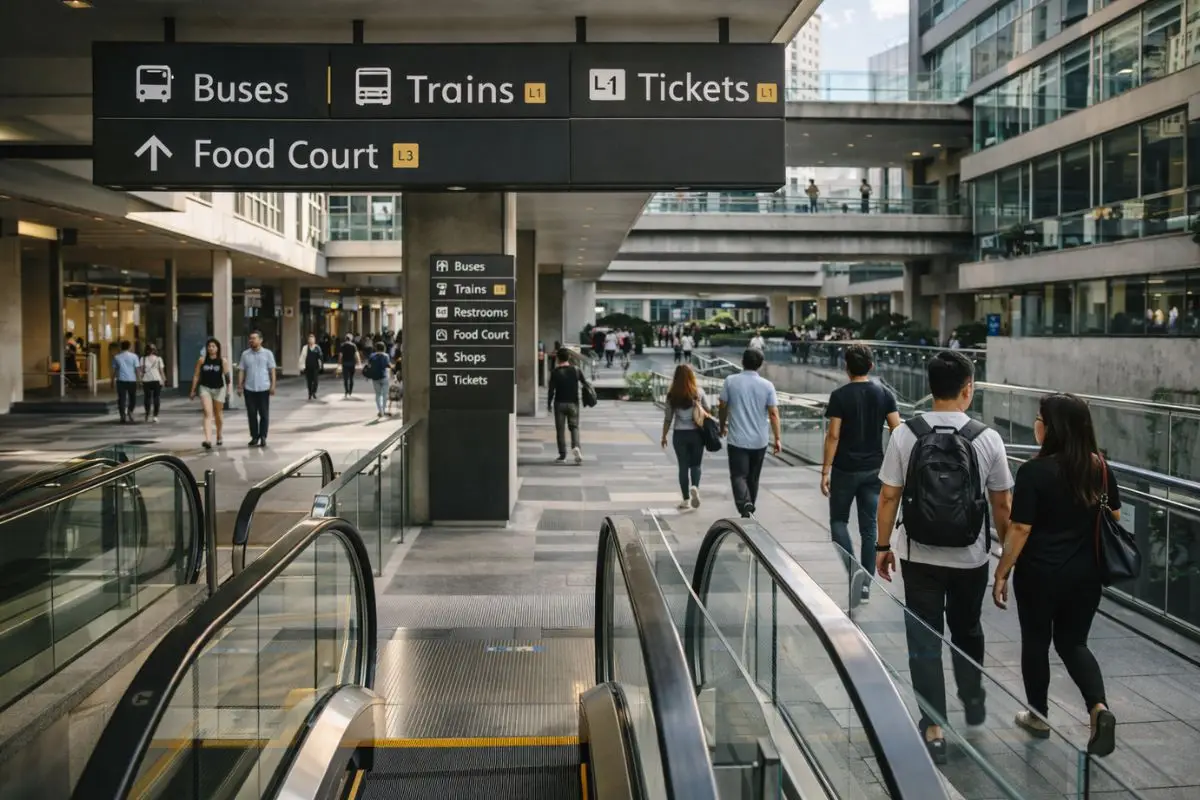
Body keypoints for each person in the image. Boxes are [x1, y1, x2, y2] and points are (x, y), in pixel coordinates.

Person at [874, 350, 1013, 764]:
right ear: (967, 389)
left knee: (924, 639)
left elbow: (888, 496)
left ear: (930, 387)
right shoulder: (987, 437)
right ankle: (971, 697)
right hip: (971, 558)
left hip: (918, 556)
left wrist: (882, 547)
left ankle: (933, 726)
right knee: (967, 629)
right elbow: (1002, 504)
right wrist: (1004, 555)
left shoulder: (906, 434)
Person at [992, 393, 1118, 757]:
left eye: (1039, 418)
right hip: (1086, 574)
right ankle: (1099, 709)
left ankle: (1038, 716)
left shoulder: (1034, 471)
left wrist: (1002, 572)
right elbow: (1115, 519)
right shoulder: (1100, 468)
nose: (1036, 424)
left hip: (1039, 574)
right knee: (1074, 642)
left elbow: (1020, 529)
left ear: (1051, 428)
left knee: (1036, 642)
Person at [820, 345, 901, 604]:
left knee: (838, 523)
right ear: (871, 366)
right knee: (869, 529)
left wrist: (825, 470)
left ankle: (853, 570)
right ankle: (865, 584)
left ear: (846, 367)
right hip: (874, 470)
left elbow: (833, 435)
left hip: (845, 470)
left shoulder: (839, 396)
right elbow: (897, 431)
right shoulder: (884, 394)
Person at [719, 348, 781, 517]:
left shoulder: (730, 381)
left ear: (742, 361)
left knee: (739, 476)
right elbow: (773, 413)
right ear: (760, 365)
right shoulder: (767, 385)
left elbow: (722, 406)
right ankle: (749, 509)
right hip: (759, 441)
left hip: (737, 439)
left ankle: (745, 504)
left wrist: (722, 425)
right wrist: (777, 438)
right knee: (753, 478)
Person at [661, 363, 710, 510]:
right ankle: (695, 487)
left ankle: (685, 499)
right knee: (696, 465)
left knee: (683, 467)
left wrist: (663, 436)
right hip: (697, 434)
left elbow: (668, 418)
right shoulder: (698, 393)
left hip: (679, 435)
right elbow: (707, 411)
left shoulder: (671, 395)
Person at [237, 330, 277, 448]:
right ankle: (254, 436)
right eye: (250, 338)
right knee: (252, 414)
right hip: (249, 389)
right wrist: (239, 385)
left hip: (263, 388)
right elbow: (241, 370)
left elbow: (272, 370)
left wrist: (273, 385)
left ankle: (263, 436)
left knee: (264, 414)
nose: (251, 340)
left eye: (254, 338)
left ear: (260, 340)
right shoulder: (245, 354)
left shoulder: (268, 354)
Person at [189, 338, 229, 449]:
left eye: (213, 346)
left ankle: (219, 435)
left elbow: (227, 377)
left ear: (217, 348)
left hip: (219, 389)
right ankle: (207, 439)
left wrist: (228, 390)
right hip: (205, 388)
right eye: (209, 346)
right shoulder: (202, 360)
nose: (211, 348)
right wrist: (193, 389)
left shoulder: (222, 361)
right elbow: (196, 375)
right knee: (207, 413)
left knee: (218, 414)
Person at [546, 347, 584, 465]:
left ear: (558, 359)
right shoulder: (576, 370)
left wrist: (549, 403)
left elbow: (551, 390)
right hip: (573, 403)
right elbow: (585, 383)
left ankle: (562, 456)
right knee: (574, 427)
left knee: (560, 430)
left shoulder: (555, 372)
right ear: (569, 357)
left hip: (559, 403)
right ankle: (576, 446)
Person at [111, 340, 140, 424]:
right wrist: (139, 379)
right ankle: (130, 411)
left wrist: (112, 380)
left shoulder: (116, 357)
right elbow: (137, 369)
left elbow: (115, 370)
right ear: (130, 347)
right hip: (132, 380)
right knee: (133, 398)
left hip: (121, 380)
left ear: (121, 347)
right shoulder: (134, 356)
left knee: (121, 399)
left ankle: (122, 416)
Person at [139, 343, 166, 423]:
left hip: (146, 380)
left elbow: (141, 370)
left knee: (147, 397)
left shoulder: (142, 359)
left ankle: (147, 414)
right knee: (156, 397)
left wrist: (140, 379)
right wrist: (163, 380)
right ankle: (155, 416)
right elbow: (161, 371)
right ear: (154, 350)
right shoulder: (158, 359)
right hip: (156, 379)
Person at [365, 341, 392, 418]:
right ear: (384, 348)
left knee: (378, 395)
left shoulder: (372, 356)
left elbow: (369, 367)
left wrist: (367, 376)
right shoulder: (386, 356)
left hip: (375, 378)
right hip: (384, 377)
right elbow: (388, 365)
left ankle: (380, 411)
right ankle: (383, 410)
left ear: (376, 348)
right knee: (385, 395)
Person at [299, 333, 324, 400]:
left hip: (315, 367)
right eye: (310, 339)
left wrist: (321, 365)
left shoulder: (317, 347)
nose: (311, 341)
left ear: (314, 340)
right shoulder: (305, 348)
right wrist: (302, 367)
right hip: (307, 367)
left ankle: (314, 392)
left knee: (315, 381)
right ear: (308, 340)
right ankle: (310, 393)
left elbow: (320, 357)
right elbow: (302, 357)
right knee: (309, 381)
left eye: (312, 339)